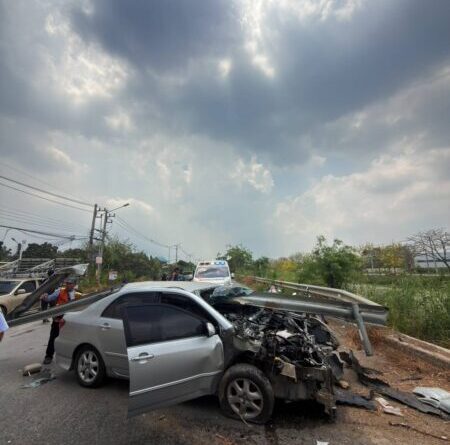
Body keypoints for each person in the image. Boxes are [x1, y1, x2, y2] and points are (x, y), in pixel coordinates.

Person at [41, 279, 77, 364]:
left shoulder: (77, 294)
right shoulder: (59, 291)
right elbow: (49, 298)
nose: (68, 285)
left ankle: (72, 357)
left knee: (73, 340)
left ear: (74, 284)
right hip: (59, 318)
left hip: (71, 319)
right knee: (53, 337)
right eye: (67, 283)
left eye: (70, 283)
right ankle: (48, 356)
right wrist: (45, 297)